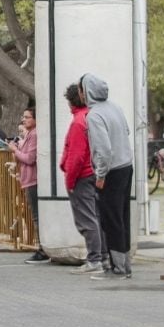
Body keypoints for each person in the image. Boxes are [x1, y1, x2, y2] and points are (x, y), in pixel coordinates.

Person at [79, 73, 134, 280]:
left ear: (87, 92)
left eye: (81, 90)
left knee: (111, 220)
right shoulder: (115, 107)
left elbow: (103, 149)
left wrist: (100, 174)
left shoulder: (94, 115)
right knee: (122, 217)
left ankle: (118, 268)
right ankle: (125, 264)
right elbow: (126, 131)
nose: (81, 95)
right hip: (126, 166)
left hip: (111, 171)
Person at [60, 83, 105, 275]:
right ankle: (101, 256)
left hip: (82, 176)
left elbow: (76, 156)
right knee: (95, 217)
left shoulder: (79, 122)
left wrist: (70, 181)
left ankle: (95, 259)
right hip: (93, 173)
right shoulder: (91, 117)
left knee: (86, 220)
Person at [8, 107, 48, 264]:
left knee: (37, 216)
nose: (24, 120)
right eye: (23, 117)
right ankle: (42, 247)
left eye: (27, 117)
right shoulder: (31, 134)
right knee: (35, 215)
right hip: (28, 179)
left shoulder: (35, 135)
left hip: (33, 179)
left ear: (36, 119)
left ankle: (42, 248)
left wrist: (14, 150)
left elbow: (30, 158)